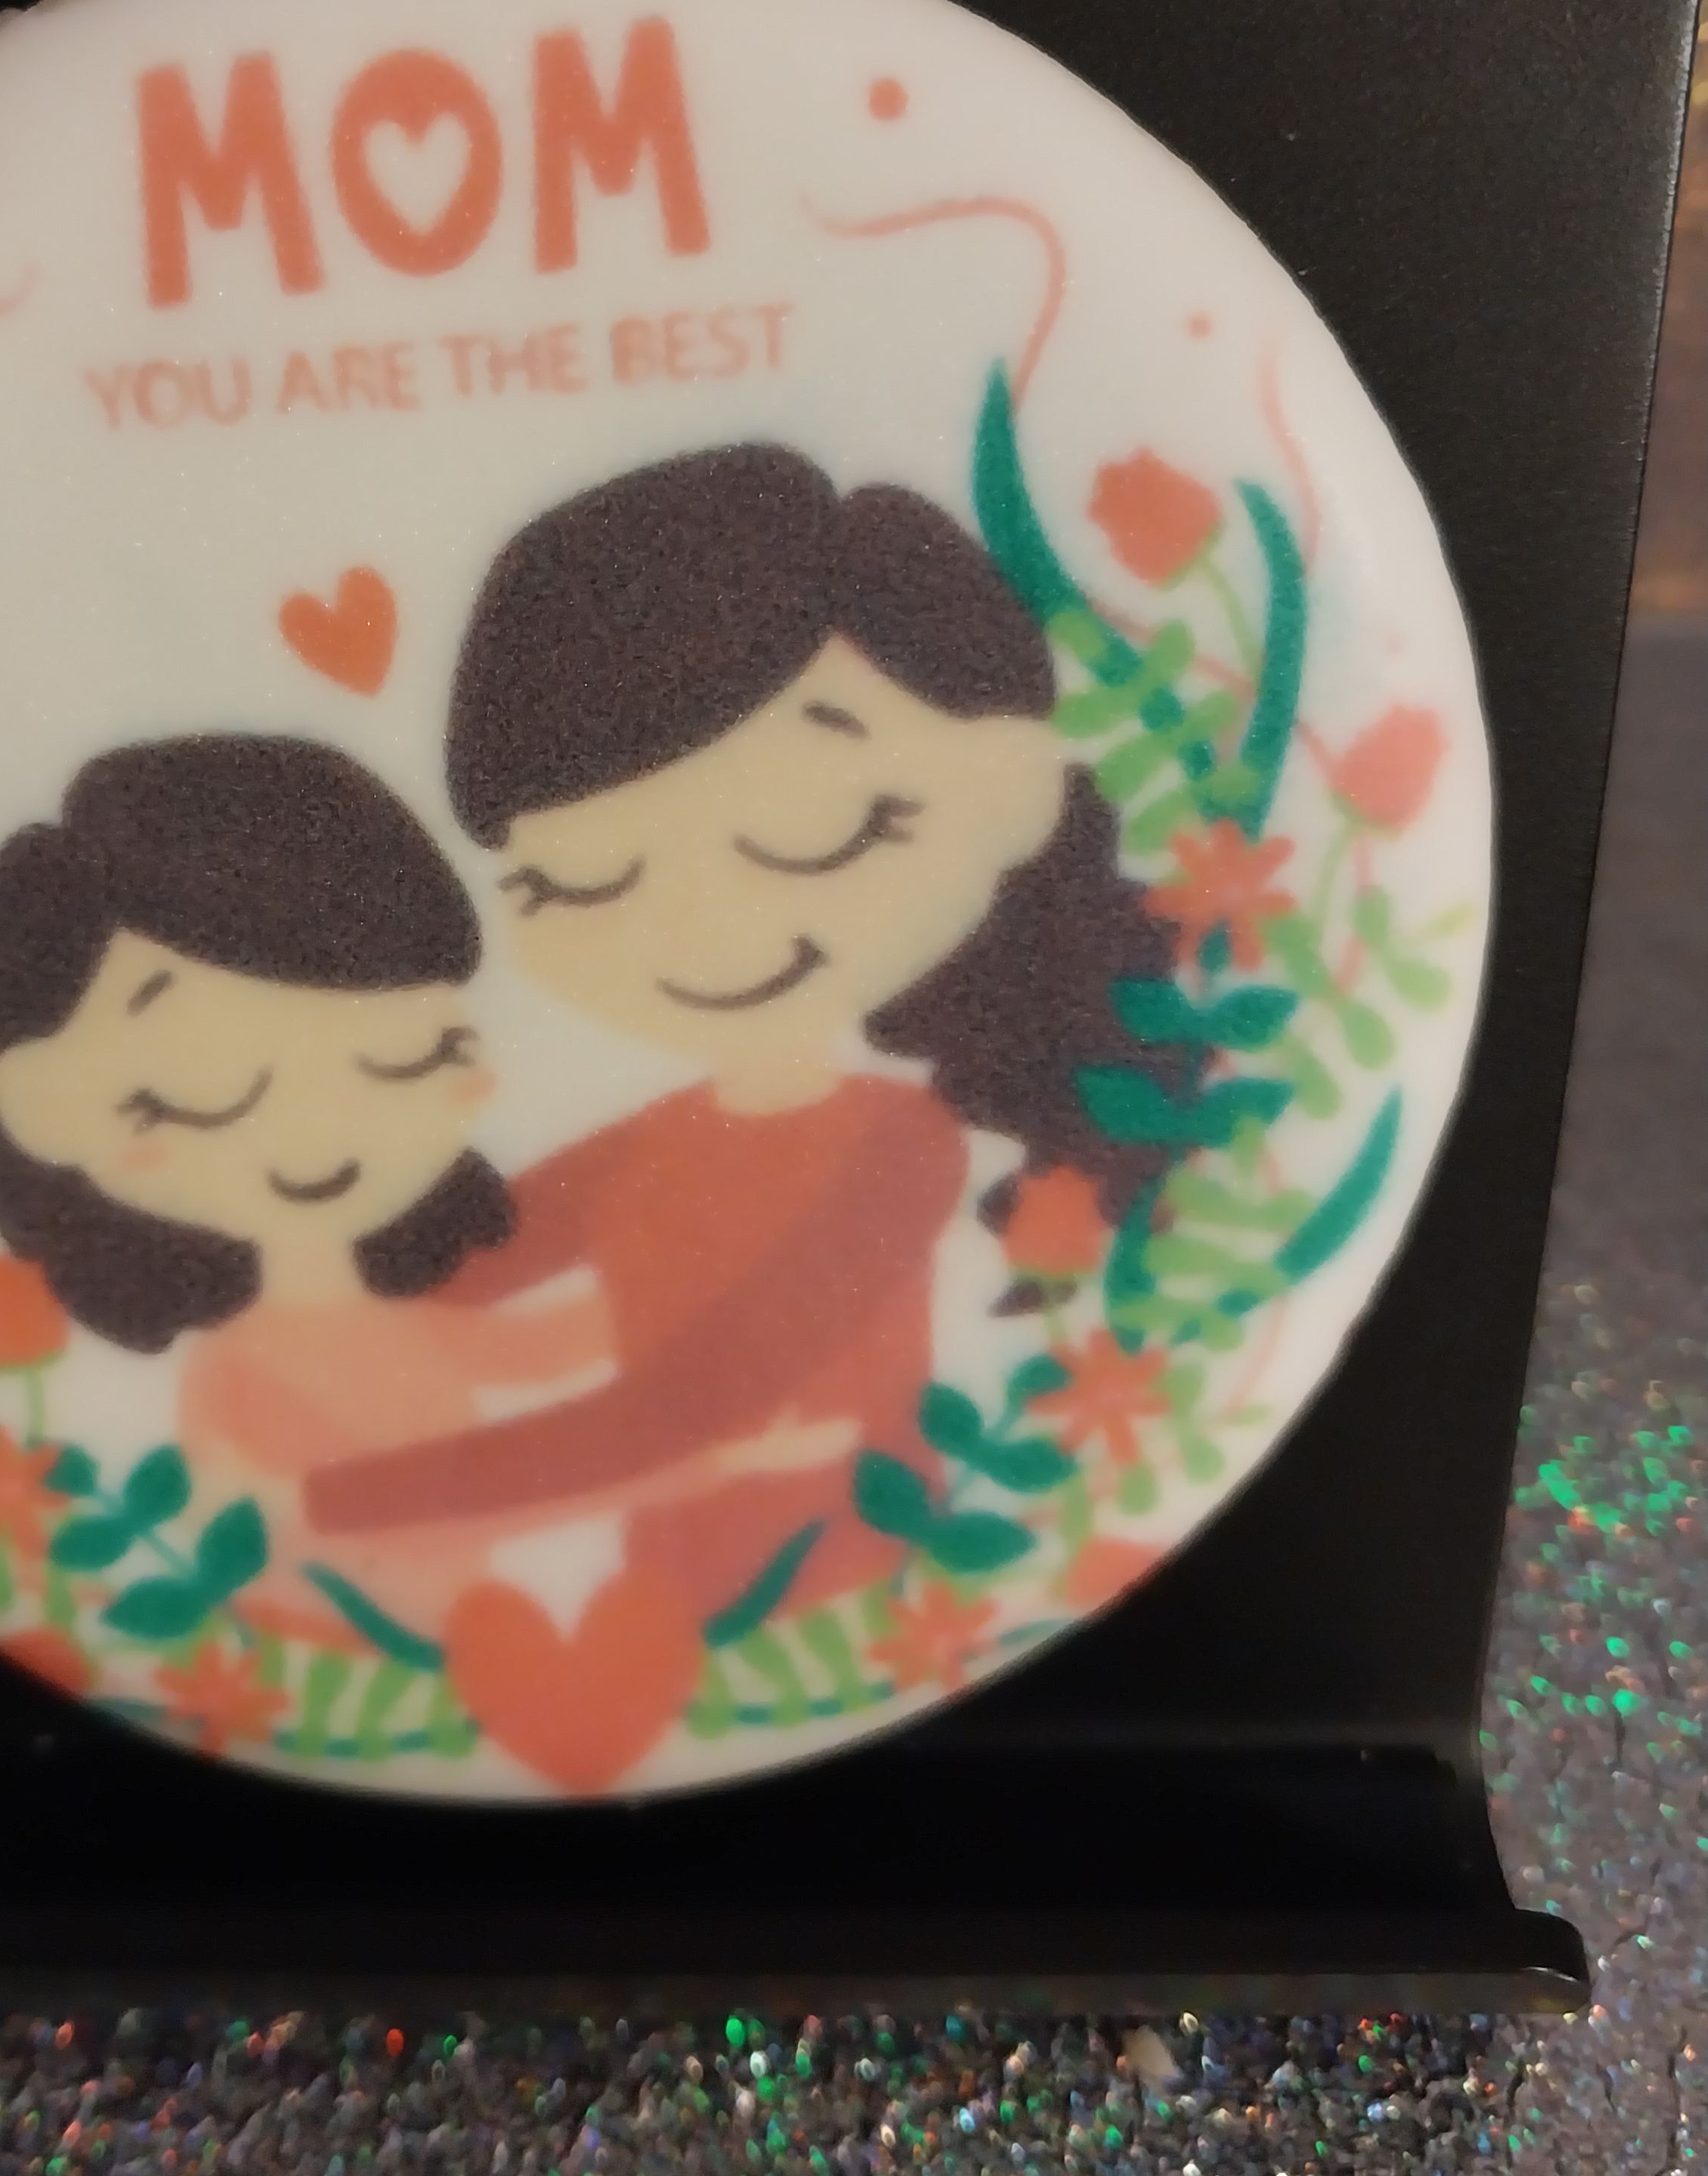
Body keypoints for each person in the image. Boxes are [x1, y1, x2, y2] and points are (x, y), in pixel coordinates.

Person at [303, 442, 1182, 1625]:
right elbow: (455, 1272)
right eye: (587, 883)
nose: (700, 929)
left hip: (861, 1599)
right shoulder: (653, 1142)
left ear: (1009, 788)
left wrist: (344, 1499)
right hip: (662, 1591)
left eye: (811, 836)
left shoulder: (899, 1150)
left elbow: (686, 1406)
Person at [0, 734, 617, 1646]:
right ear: (46, 1109)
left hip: (458, 1631)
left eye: (398, 1063)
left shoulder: (403, 1325)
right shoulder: (239, 1375)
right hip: (316, 1645)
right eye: (213, 1096)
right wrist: (693, 1463)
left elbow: (537, 1349)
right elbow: (367, 1502)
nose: (316, 1129)